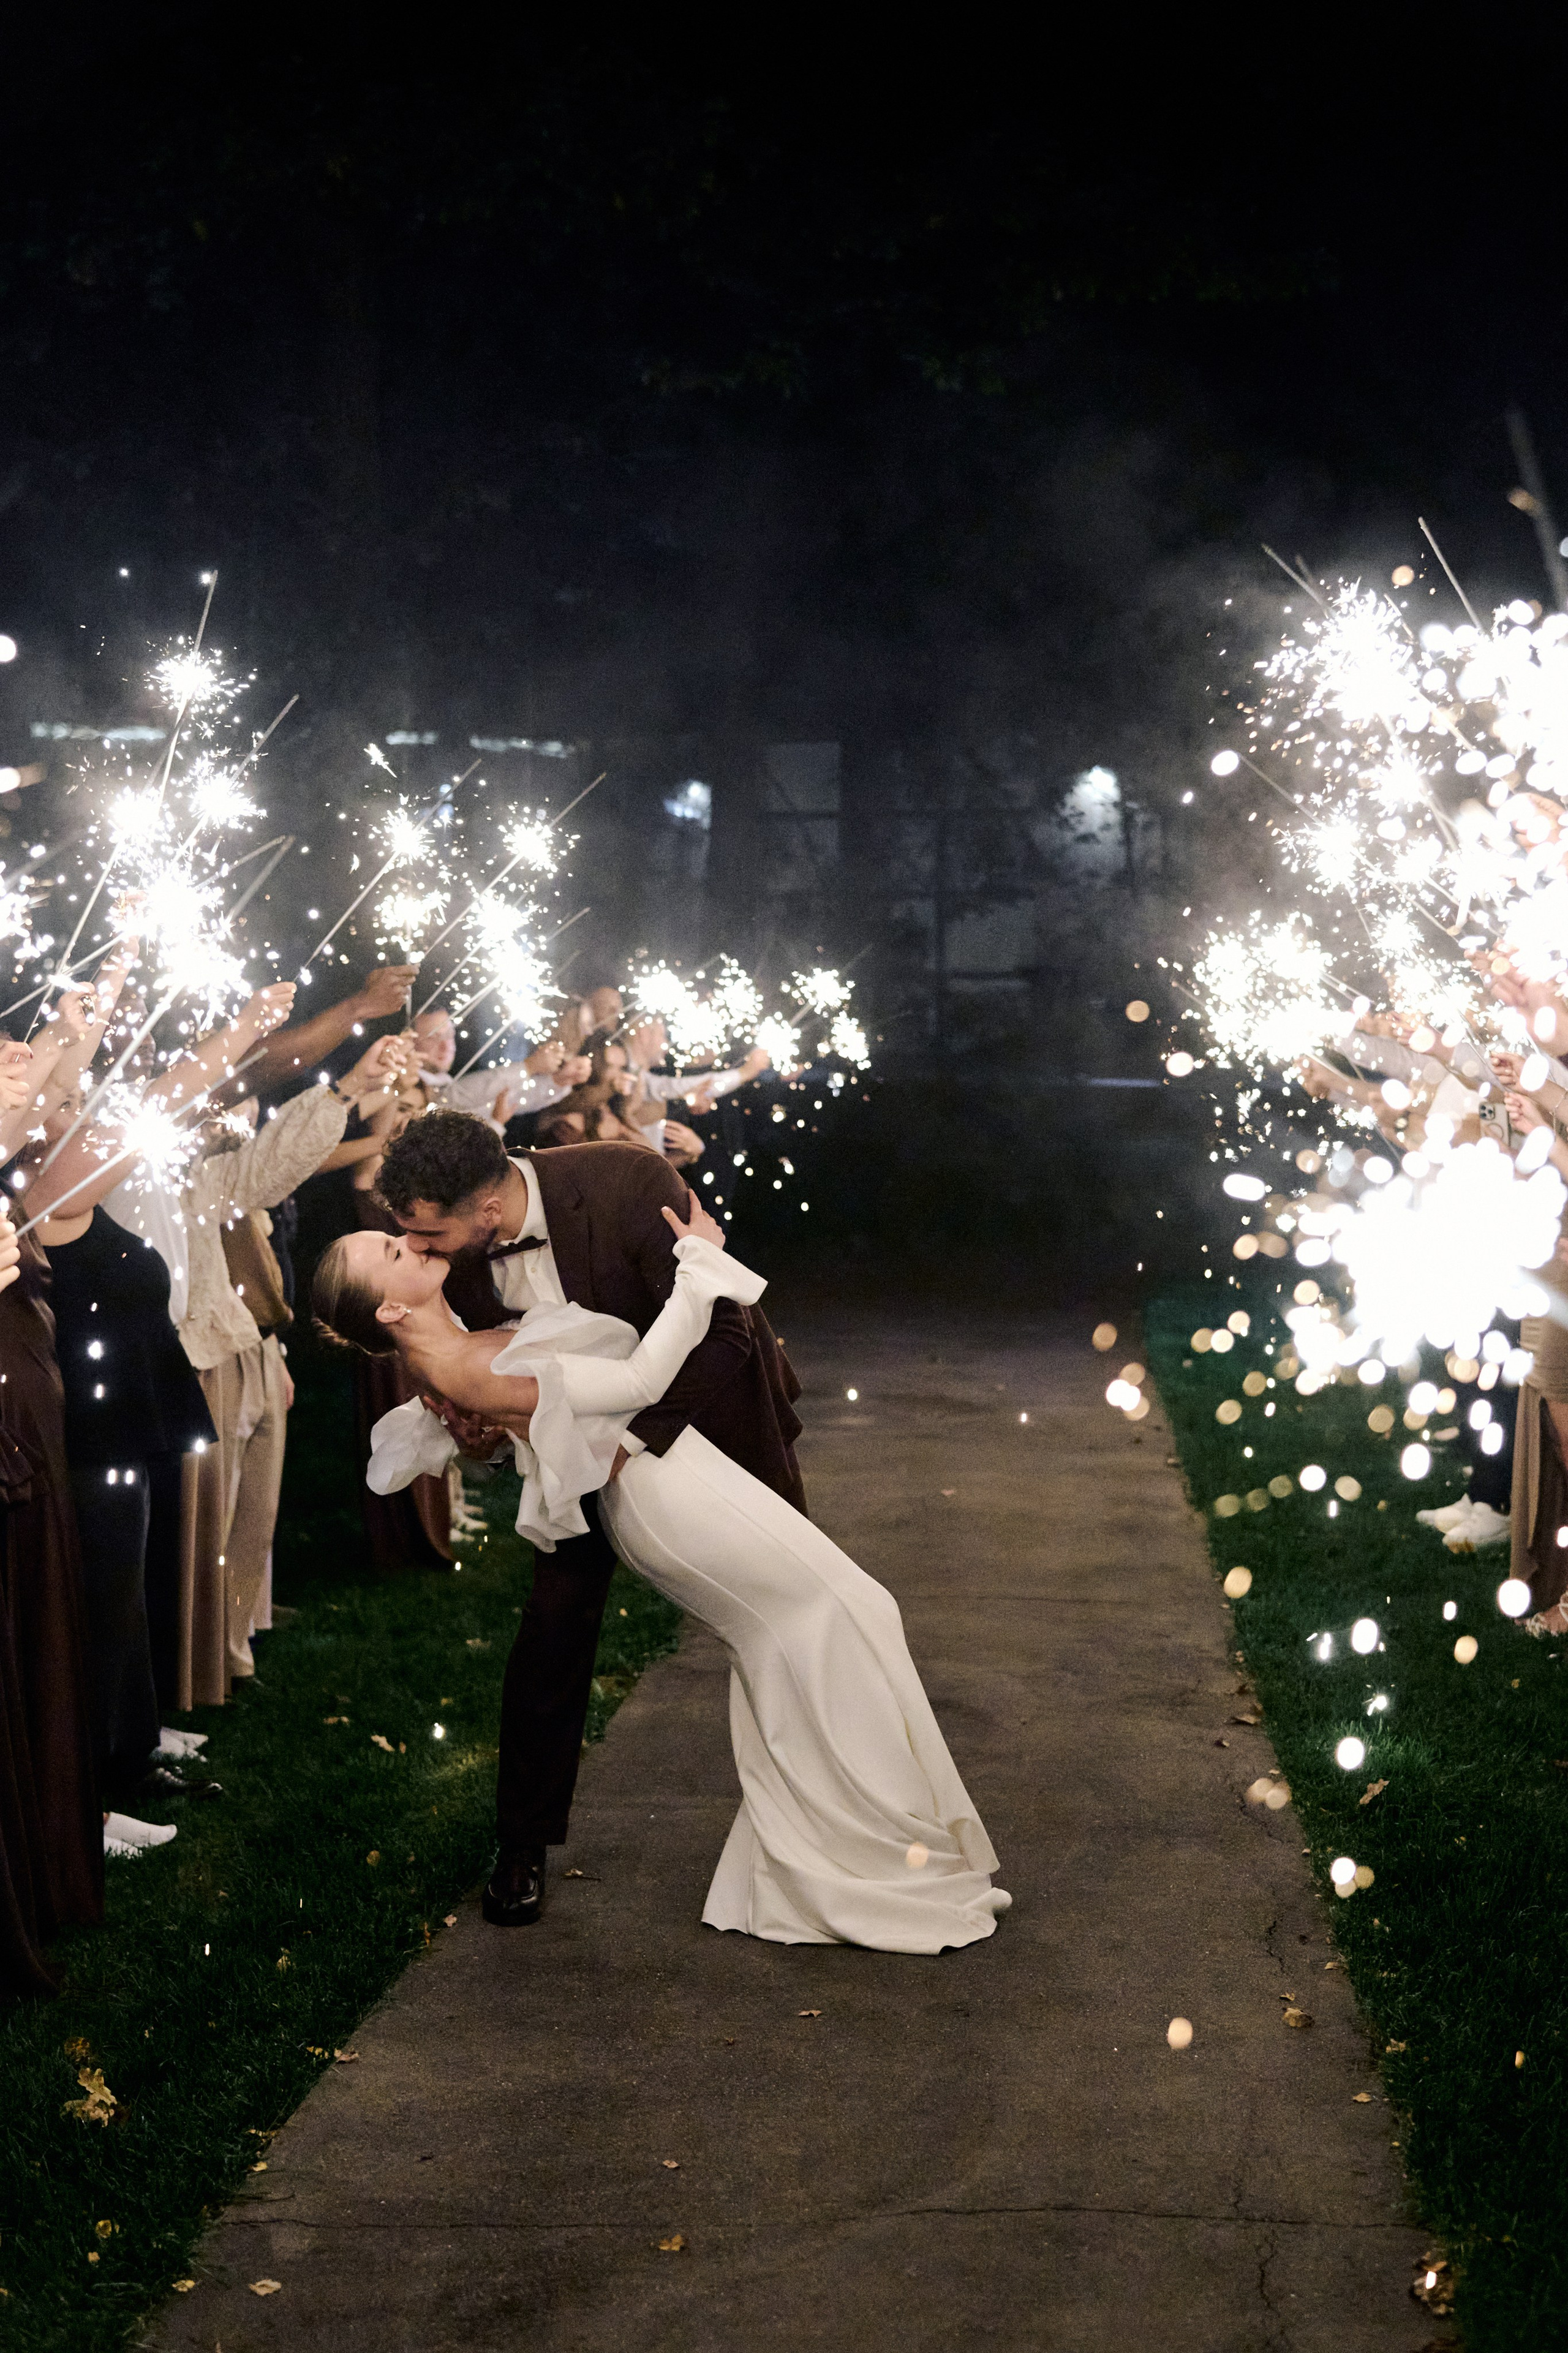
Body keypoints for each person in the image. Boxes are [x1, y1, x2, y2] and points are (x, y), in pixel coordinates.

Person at [314, 1188, 1008, 1953]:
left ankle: (824, 1867)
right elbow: (638, 1385)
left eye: (399, 1235)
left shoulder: (481, 1316)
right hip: (660, 1495)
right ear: (385, 1313)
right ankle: (857, 1864)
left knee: (805, 1635)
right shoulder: (460, 1361)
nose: (408, 1242)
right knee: (834, 1617)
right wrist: (698, 1262)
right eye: (388, 1252)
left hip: (675, 1469)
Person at [371, 1109, 805, 1928]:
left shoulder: (628, 1180)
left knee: (789, 1616)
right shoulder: (452, 1264)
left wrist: (629, 1444)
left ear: (485, 1211)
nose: (417, 1251)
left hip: (713, 1424)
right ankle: (522, 1846)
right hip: (578, 1466)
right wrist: (486, 1442)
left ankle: (804, 1820)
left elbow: (727, 1335)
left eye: (427, 1235)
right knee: (553, 1627)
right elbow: (505, 1392)